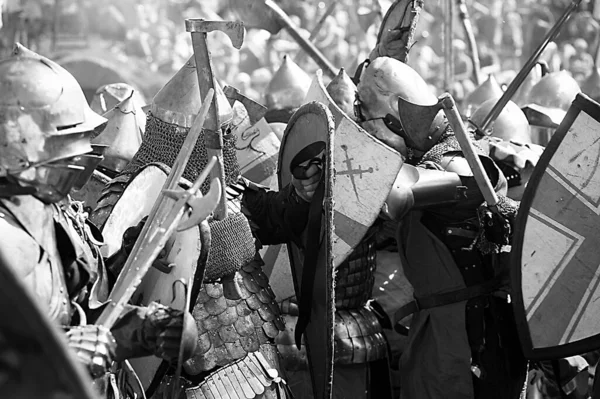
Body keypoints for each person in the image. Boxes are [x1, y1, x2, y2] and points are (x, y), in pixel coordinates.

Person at [91, 55, 319, 399]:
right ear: (181, 136)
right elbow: (105, 284)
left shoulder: (230, 187)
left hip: (258, 360)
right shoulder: (130, 197)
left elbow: (276, 218)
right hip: (184, 375)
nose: (225, 141)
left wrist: (301, 194)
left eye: (226, 132)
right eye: (218, 133)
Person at [0, 49, 198, 398]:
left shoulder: (48, 212)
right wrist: (53, 358)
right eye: (65, 144)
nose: (79, 160)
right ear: (21, 147)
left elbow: (82, 316)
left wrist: (147, 328)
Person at [354, 56, 527, 399]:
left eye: (371, 123)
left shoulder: (454, 164)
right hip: (441, 331)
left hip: (465, 338)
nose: (368, 133)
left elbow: (400, 194)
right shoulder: (433, 158)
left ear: (395, 119)